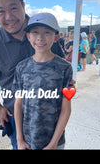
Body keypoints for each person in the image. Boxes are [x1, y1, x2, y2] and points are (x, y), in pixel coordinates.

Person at [0, 0, 65, 149]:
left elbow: (59, 63)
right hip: (16, 115)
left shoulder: (44, 29)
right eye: (1, 11)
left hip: (49, 113)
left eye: (13, 8)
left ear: (23, 6)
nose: (9, 17)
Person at [13, 13, 72, 150]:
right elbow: (18, 104)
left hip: (54, 141)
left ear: (56, 37)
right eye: (35, 32)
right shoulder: (21, 67)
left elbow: (66, 110)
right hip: (27, 141)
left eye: (47, 32)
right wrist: (19, 140)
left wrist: (53, 144)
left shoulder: (65, 68)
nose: (40, 37)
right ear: (28, 36)